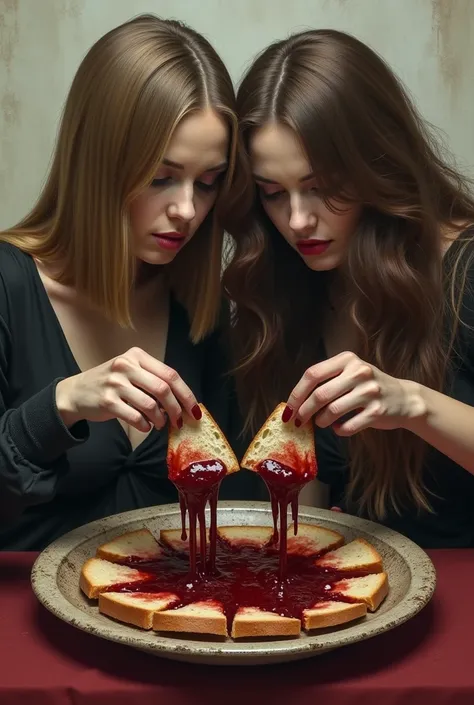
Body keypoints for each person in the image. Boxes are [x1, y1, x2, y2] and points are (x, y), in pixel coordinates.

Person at [0, 14, 261, 551]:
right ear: (97, 164)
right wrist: (61, 405)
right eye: (161, 177)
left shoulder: (196, 312)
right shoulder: (9, 287)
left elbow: (228, 510)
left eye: (208, 183)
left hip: (164, 623)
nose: (187, 209)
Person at [224, 28, 474, 548]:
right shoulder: (292, 281)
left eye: (320, 188)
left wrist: (415, 405)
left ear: (376, 163)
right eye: (273, 194)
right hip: (364, 597)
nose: (296, 220)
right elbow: (307, 502)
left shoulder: (464, 269)